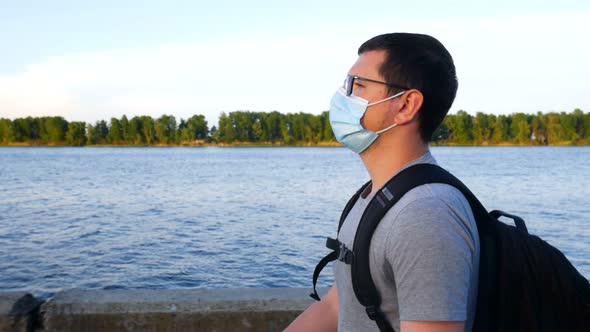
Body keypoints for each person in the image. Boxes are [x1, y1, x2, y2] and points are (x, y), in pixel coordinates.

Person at [285, 33, 479, 332]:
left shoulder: (425, 213)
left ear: (406, 105)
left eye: (357, 85)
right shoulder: (376, 197)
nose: (342, 97)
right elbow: (337, 306)